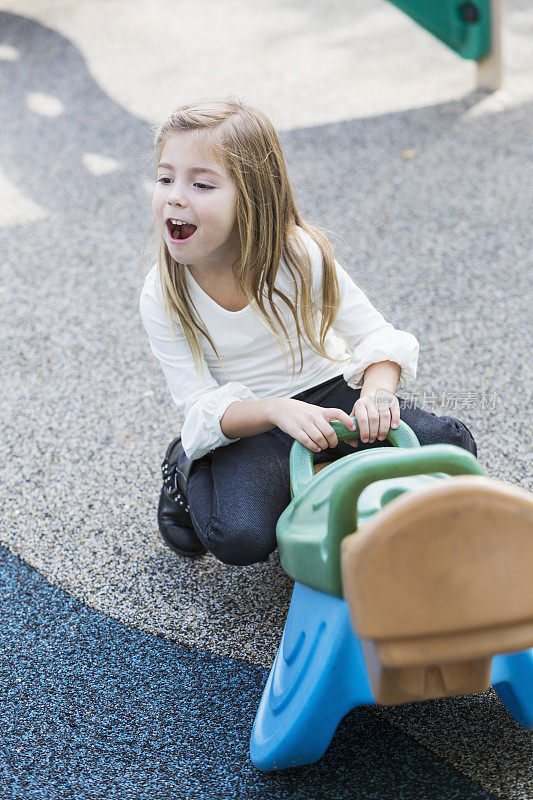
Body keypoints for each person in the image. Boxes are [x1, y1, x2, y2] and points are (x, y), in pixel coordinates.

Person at [139, 96, 477, 565]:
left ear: (252, 198)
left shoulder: (298, 255)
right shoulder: (163, 291)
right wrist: (277, 411)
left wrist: (378, 394)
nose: (174, 195)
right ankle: (184, 469)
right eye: (165, 177)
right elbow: (198, 403)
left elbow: (375, 337)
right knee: (238, 535)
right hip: (254, 422)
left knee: (451, 444)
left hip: (331, 394)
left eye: (201, 184)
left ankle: (331, 466)